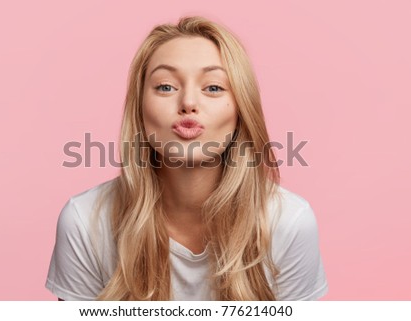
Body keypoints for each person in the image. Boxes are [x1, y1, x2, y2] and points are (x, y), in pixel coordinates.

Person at [45, 16, 328, 301]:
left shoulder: (290, 223)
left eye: (213, 87)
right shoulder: (84, 221)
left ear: (241, 110)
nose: (189, 103)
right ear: (139, 108)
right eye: (166, 86)